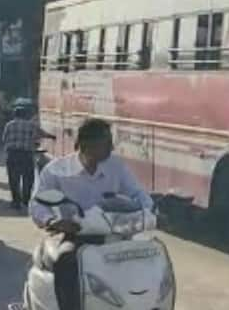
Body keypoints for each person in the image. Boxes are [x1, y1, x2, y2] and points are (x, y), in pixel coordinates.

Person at [30, 118, 154, 310]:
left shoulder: (116, 166)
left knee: (146, 258)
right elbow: (37, 204)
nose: (112, 148)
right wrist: (53, 221)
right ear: (87, 144)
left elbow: (137, 192)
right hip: (74, 235)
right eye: (107, 143)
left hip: (113, 234)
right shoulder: (56, 170)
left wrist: (152, 210)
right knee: (66, 261)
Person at [3, 105, 55, 209]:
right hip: (26, 155)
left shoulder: (9, 125)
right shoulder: (31, 125)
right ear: (25, 115)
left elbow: (4, 138)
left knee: (14, 179)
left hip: (12, 154)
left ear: (15, 115)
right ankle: (26, 200)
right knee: (28, 178)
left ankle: (16, 201)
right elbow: (42, 134)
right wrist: (52, 137)